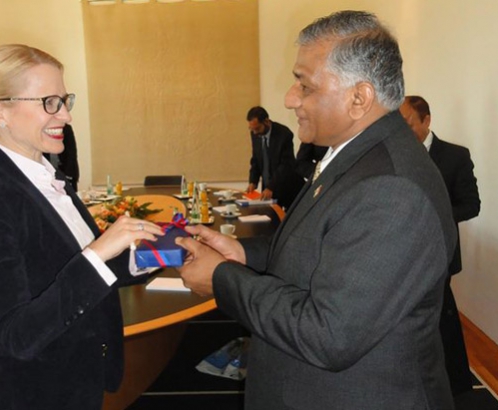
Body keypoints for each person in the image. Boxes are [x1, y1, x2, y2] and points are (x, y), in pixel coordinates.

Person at [176, 11, 457, 410]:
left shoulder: (393, 189)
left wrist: (222, 278)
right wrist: (242, 254)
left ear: (359, 98)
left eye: (305, 86)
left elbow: (329, 334)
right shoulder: (355, 156)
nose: (290, 99)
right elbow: (318, 244)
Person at [0, 44, 164, 410]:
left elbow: (73, 269)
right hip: (37, 394)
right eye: (49, 102)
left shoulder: (49, 180)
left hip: (81, 380)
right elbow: (16, 335)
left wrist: (161, 253)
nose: (66, 115)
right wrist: (97, 252)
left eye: (64, 101)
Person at [400, 95, 481, 395]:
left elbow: (471, 205)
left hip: (439, 254)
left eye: (408, 123)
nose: (403, 131)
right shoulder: (395, 153)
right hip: (401, 253)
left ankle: (456, 386)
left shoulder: (455, 156)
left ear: (427, 120)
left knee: (443, 319)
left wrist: (435, 217)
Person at [245, 106, 303, 209]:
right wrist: (253, 181)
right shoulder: (255, 134)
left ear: (266, 121)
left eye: (257, 128)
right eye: (252, 129)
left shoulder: (284, 134)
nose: (255, 132)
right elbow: (256, 159)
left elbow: (286, 165)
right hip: (268, 188)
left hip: (286, 186)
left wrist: (271, 187)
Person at [44, 123, 80, 191]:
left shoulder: (66, 128)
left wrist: (69, 175)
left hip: (66, 172)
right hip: (47, 173)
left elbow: (71, 154)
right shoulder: (40, 129)